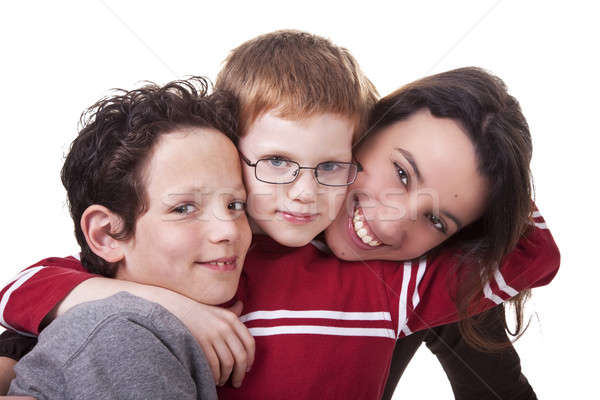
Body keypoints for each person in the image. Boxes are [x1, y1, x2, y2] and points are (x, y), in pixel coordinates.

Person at [0, 32, 559, 399]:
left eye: (330, 165)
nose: (390, 221)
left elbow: (535, 253)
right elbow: (24, 298)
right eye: (402, 172)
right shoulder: (197, 255)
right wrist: (162, 304)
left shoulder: (393, 282)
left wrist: (484, 149)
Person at [7, 77, 253, 399]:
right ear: (107, 234)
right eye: (184, 209)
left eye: (235, 204)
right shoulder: (119, 332)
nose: (229, 230)